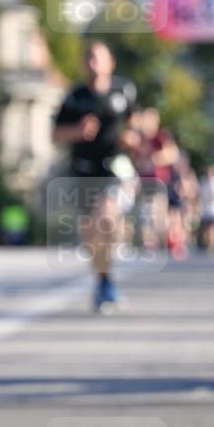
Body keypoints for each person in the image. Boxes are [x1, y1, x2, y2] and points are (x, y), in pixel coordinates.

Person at [52, 41, 137, 312]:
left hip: (112, 168)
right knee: (90, 232)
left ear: (110, 63)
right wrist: (77, 132)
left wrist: (132, 138)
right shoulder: (75, 97)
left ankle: (106, 280)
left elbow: (138, 125)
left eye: (98, 57)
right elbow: (54, 134)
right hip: (82, 169)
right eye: (88, 57)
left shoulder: (124, 91)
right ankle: (104, 281)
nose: (92, 62)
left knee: (106, 216)